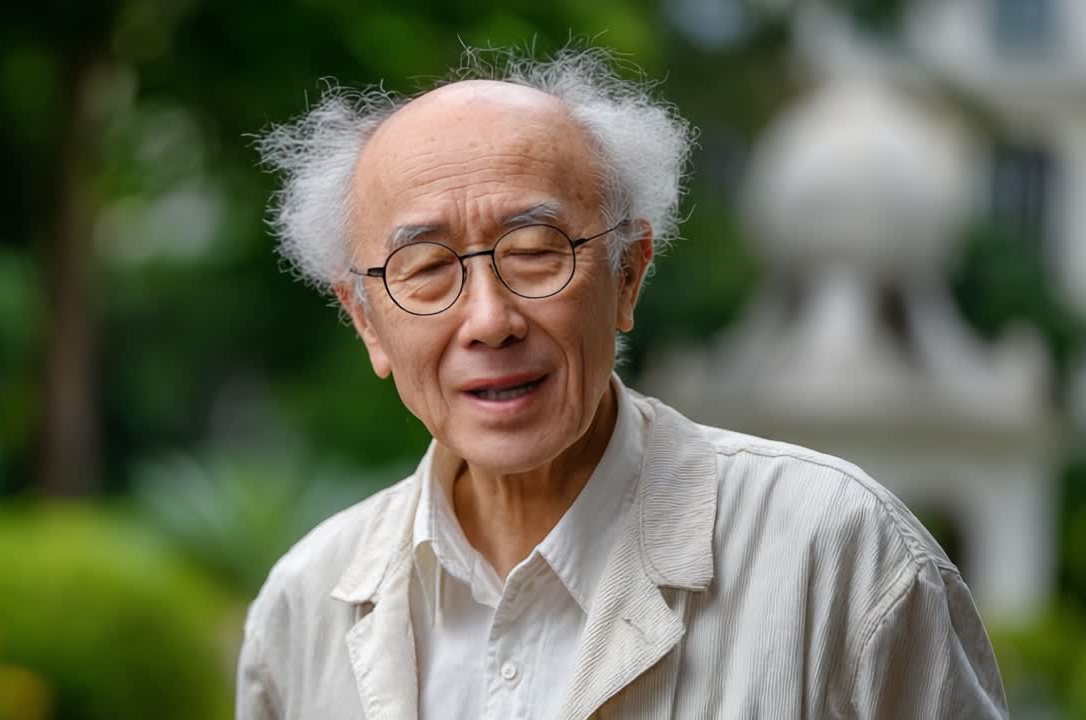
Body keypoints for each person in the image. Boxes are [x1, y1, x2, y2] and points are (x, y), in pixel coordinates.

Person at [238, 47, 1008, 719]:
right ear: (366, 320)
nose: (488, 319)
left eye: (535, 250)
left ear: (629, 275)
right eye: (428, 268)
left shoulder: (840, 555)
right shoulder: (305, 607)